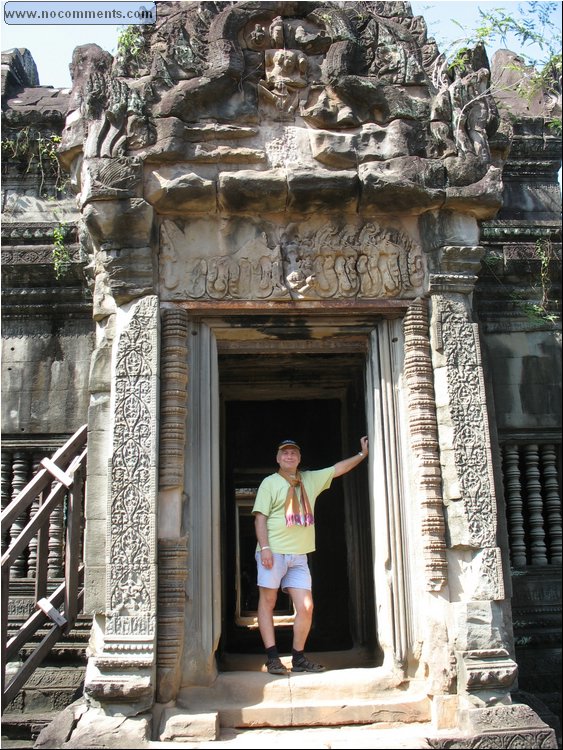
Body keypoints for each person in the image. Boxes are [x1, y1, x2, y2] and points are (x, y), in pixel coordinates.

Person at [252, 436, 369, 675]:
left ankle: (298, 658)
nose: (289, 456)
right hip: (272, 552)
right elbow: (260, 517)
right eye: (285, 453)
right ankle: (273, 657)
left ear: (299, 458)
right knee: (268, 602)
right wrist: (264, 548)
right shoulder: (270, 483)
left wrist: (362, 455)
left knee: (306, 606)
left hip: (299, 555)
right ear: (278, 458)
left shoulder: (310, 479)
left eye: (293, 453)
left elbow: (337, 469)